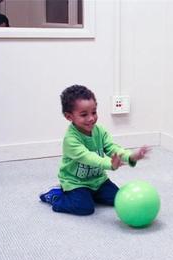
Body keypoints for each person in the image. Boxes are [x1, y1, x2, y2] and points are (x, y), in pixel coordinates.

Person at [39, 85, 150, 216]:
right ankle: (56, 196)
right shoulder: (71, 139)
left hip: (98, 180)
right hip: (76, 182)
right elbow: (88, 157)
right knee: (84, 208)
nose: (91, 118)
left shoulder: (100, 131)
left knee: (119, 198)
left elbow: (112, 148)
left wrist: (131, 156)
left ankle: (92, 195)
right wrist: (110, 164)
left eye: (94, 112)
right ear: (69, 117)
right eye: (84, 114)